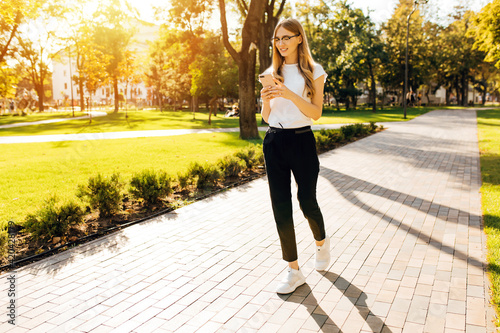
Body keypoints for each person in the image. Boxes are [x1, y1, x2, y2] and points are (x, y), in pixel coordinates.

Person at [260, 18, 330, 294]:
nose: (281, 43)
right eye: (277, 39)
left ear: (299, 38)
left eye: (286, 37)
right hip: (274, 141)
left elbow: (315, 113)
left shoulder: (314, 71)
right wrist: (266, 99)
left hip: (302, 141)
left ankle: (322, 243)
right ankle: (293, 270)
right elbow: (266, 116)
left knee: (306, 201)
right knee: (280, 206)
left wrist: (288, 93)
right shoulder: (270, 72)